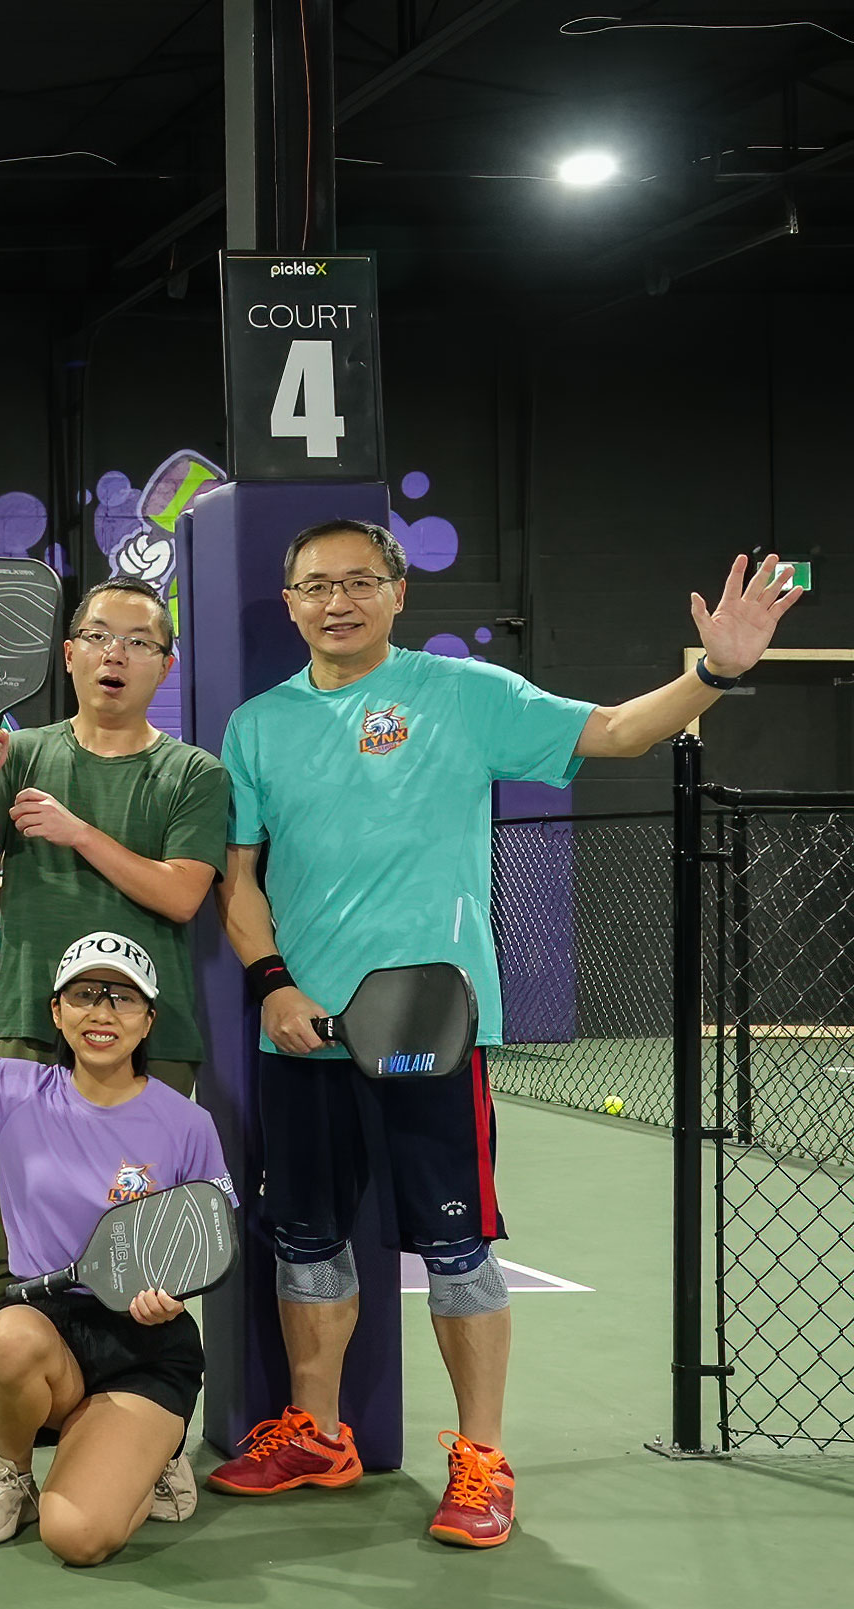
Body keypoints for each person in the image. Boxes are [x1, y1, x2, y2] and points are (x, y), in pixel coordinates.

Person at [209, 524, 800, 1547]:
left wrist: (712, 673)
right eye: (316, 586)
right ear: (291, 599)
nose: (338, 601)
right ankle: (318, 1433)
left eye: (359, 581)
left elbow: (616, 732)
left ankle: (481, 1458)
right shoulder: (257, 726)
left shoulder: (466, 694)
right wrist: (272, 986)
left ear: (398, 593)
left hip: (431, 1029)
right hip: (301, 1034)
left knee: (457, 1246)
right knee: (304, 1238)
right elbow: (240, 878)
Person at [0, 575, 226, 1503]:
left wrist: (75, 832)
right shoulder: (20, 753)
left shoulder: (194, 774)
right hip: (28, 1024)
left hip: (156, 1038)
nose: (115, 655)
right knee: (11, 1245)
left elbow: (182, 894)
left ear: (164, 666)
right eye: (99, 637)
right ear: (67, 655)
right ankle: (5, 1452)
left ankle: (151, 1428)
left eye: (138, 642)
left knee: (148, 1242)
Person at [0, 881, 227, 1564]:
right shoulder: (12, 1089)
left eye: (122, 997)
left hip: (145, 1349)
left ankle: (150, 1450)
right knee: (4, 1338)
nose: (103, 1012)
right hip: (48, 1332)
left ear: (149, 1020)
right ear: (56, 1013)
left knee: (77, 1538)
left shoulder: (188, 1124)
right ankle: (12, 1472)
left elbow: (208, 1238)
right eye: (85, 995)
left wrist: (173, 1295)